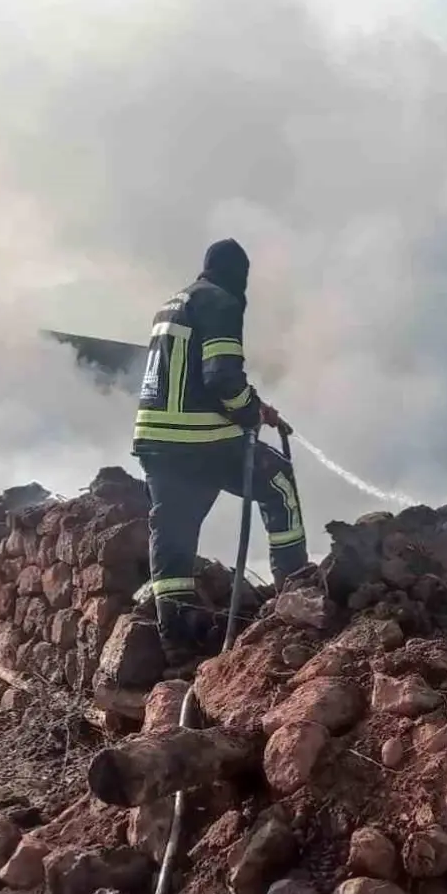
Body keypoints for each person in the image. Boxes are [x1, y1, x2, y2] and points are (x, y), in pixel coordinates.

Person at [132, 238, 307, 669]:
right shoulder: (221, 302)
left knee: (173, 535)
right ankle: (297, 592)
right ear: (238, 274)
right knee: (278, 482)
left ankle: (177, 641)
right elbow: (222, 378)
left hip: (157, 441)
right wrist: (249, 411)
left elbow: (197, 375)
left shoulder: (173, 304)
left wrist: (256, 406)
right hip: (199, 441)